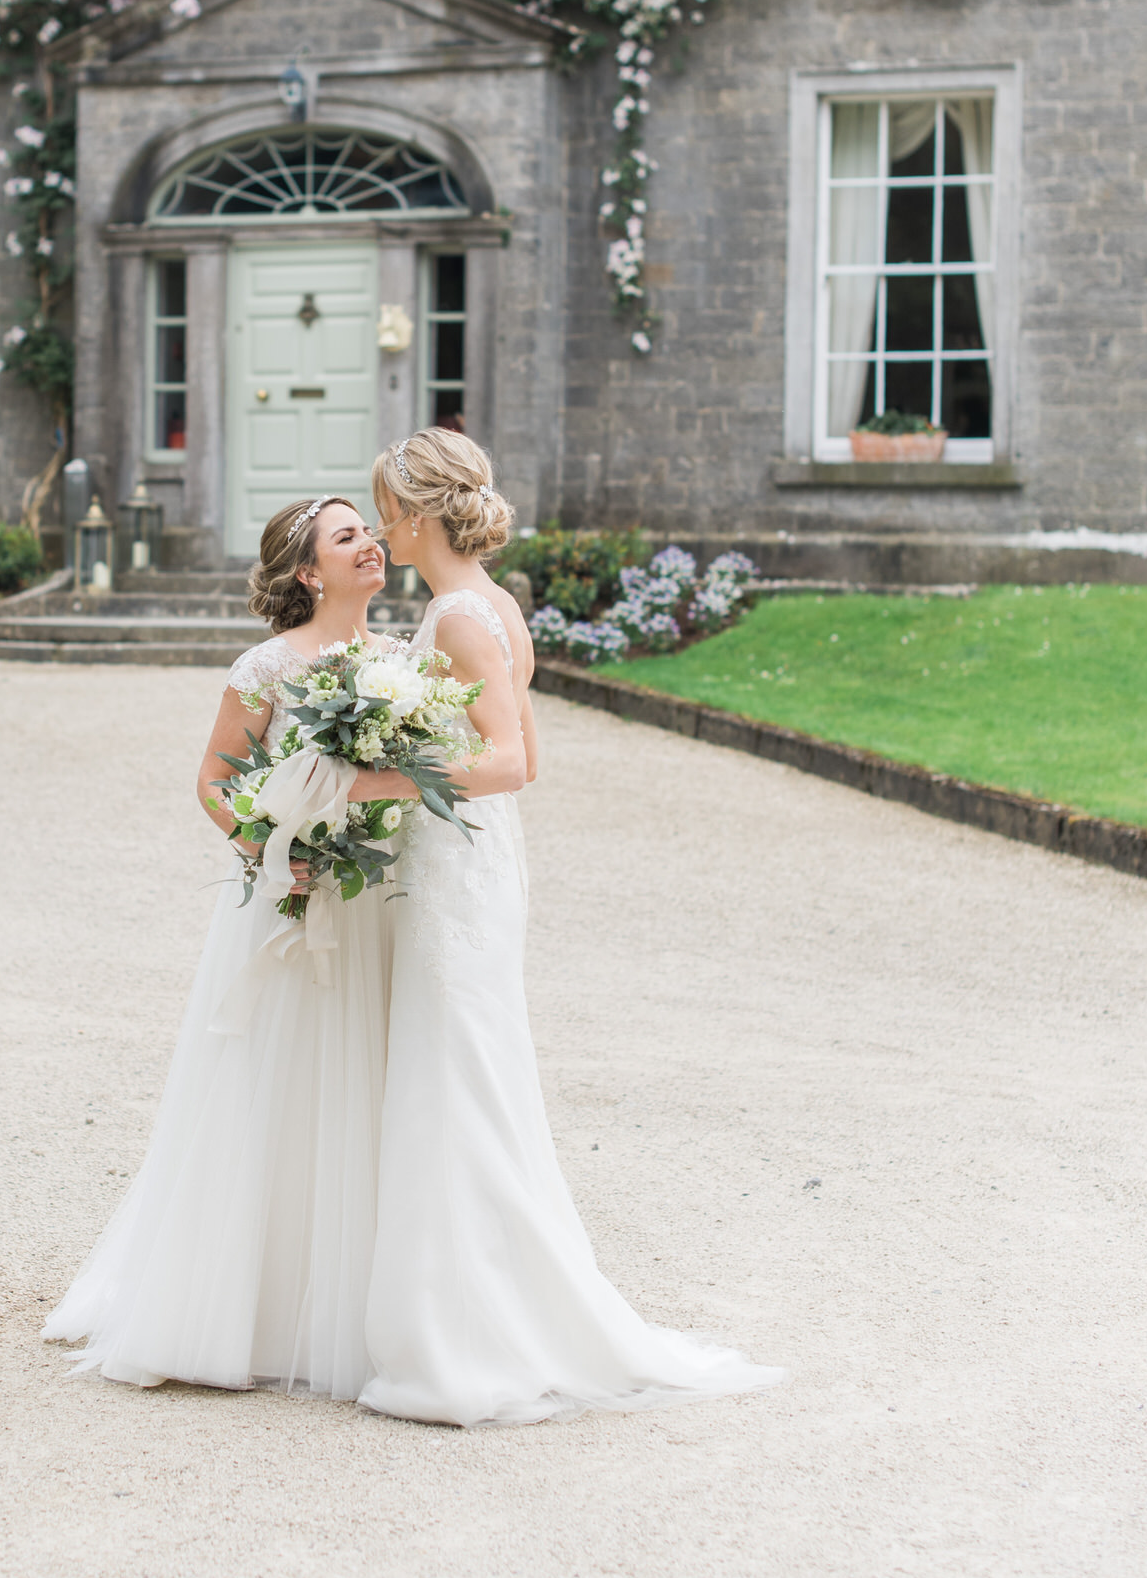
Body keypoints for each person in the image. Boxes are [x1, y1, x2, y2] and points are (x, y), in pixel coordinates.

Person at [351, 427, 785, 1425]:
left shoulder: (459, 616)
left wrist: (381, 773)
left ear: (416, 514)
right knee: (464, 1073)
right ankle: (472, 1313)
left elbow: (512, 761)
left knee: (453, 1079)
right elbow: (521, 746)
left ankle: (467, 1338)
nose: (378, 529)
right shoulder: (493, 605)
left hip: (458, 871)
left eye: (385, 509)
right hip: (470, 862)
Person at [41, 497, 406, 1399]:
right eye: (348, 537)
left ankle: (352, 1304)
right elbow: (215, 778)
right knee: (271, 1079)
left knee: (363, 1084)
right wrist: (267, 846)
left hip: (371, 901)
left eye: (369, 531)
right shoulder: (267, 667)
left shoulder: (405, 665)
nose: (371, 544)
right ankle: (240, 1306)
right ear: (309, 573)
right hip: (286, 898)